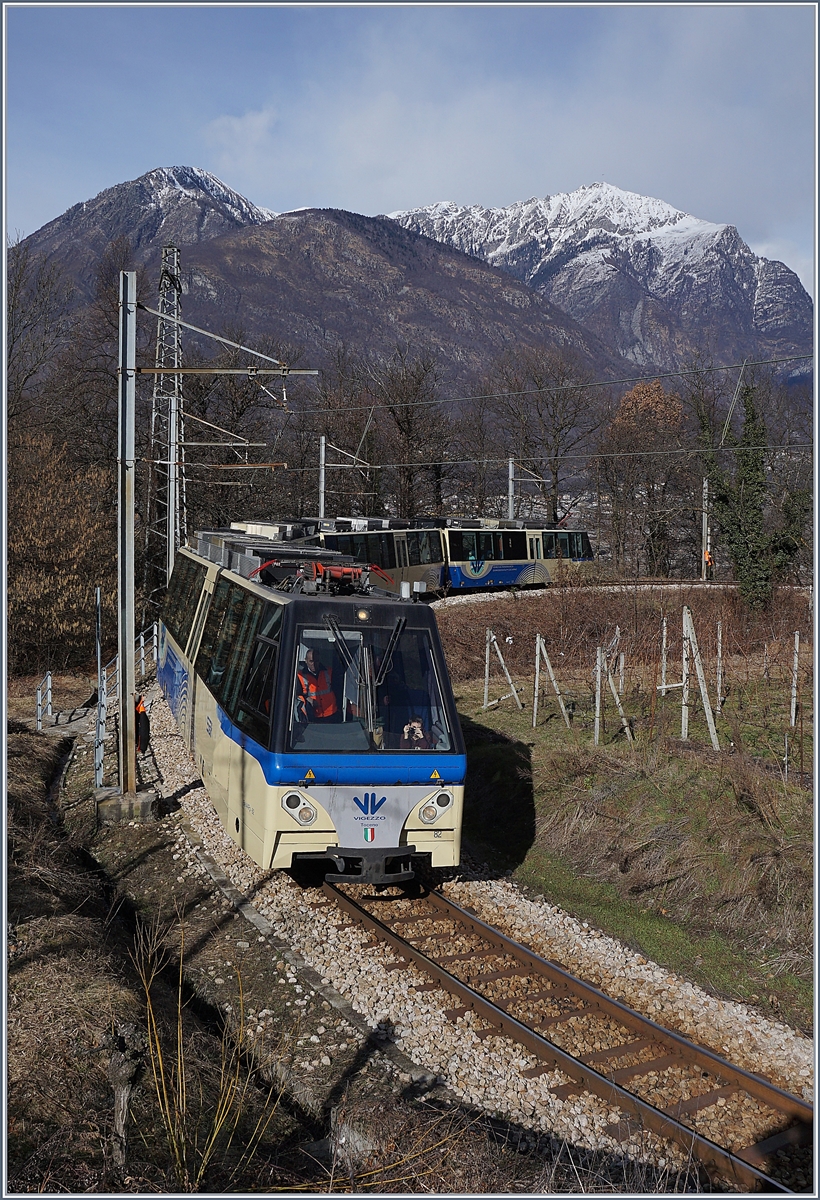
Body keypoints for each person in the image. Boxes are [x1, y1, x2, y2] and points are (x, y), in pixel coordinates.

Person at [296, 649, 338, 721]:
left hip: (331, 712)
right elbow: (297, 695)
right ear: (306, 660)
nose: (314, 664)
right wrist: (308, 699)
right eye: (311, 661)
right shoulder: (300, 675)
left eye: (316, 661)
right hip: (313, 715)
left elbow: (338, 689)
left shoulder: (329, 671)